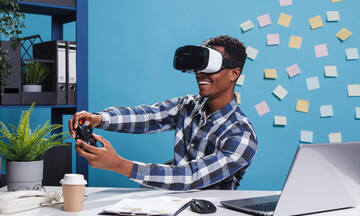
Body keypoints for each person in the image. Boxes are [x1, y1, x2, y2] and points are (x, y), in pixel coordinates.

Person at [69, 35, 258, 191]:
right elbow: (147, 117)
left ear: (234, 74)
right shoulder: (188, 106)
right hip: (168, 204)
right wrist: (99, 119)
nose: (200, 74)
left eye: (210, 66)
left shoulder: (242, 135)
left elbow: (191, 176)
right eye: (199, 67)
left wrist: (118, 164)